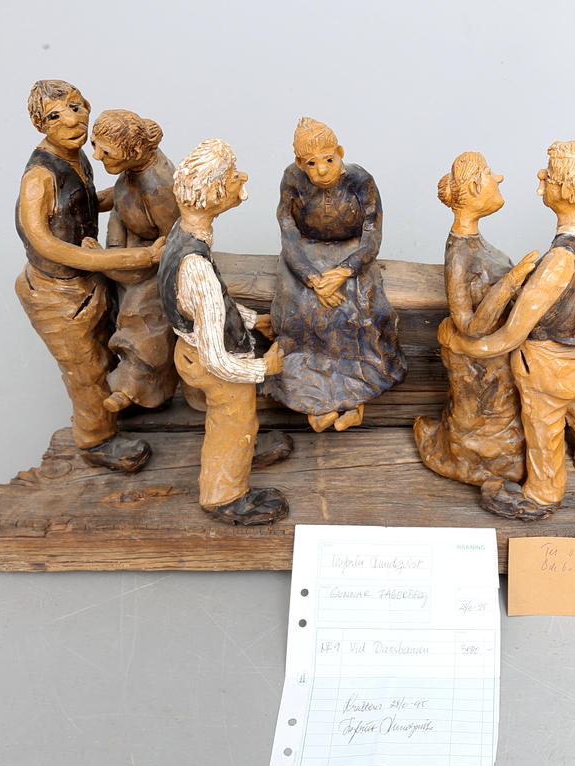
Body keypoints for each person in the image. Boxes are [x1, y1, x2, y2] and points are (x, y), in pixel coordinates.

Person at [441, 141, 575, 520]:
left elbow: (511, 335)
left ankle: (542, 495)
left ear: (565, 187)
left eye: (548, 174)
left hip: (548, 366)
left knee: (544, 428)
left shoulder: (558, 260)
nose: (540, 177)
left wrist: (465, 347)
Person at [14, 80, 162, 472]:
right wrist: (137, 256)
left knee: (107, 347)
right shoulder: (38, 178)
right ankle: (96, 439)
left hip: (87, 279)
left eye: (76, 107)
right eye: (54, 116)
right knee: (85, 368)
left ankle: (116, 403)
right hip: (56, 292)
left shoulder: (78, 156)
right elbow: (45, 243)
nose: (71, 121)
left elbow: (83, 204)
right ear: (40, 125)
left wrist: (138, 185)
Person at [160, 139, 289, 525]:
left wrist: (248, 320)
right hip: (211, 362)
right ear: (214, 193)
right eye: (233, 175)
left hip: (189, 347)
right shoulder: (196, 266)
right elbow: (217, 360)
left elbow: (208, 306)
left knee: (235, 423)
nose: (242, 177)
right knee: (233, 419)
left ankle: (242, 451)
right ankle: (225, 496)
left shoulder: (182, 234)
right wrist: (265, 368)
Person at [263, 118, 406, 432]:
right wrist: (313, 280)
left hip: (352, 255)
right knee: (299, 311)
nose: (322, 170)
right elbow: (288, 232)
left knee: (361, 310)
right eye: (311, 163)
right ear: (300, 163)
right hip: (305, 254)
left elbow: (372, 235)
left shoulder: (361, 180)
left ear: (340, 152)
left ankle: (356, 399)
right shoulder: (291, 179)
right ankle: (311, 401)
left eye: (329, 159)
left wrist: (344, 271)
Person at [414, 152, 537, 489]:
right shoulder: (459, 253)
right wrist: (511, 281)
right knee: (479, 419)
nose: (498, 178)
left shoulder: (474, 243)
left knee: (500, 414)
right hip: (479, 362)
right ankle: (470, 463)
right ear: (473, 186)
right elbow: (468, 326)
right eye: (488, 173)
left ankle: (503, 462)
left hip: (498, 356)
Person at [90, 108, 180, 412]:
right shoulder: (135, 166)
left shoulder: (157, 187)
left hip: (153, 261)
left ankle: (132, 385)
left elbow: (172, 243)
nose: (97, 156)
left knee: (140, 314)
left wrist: (122, 263)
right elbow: (121, 195)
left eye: (106, 152)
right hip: (127, 242)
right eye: (95, 146)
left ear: (136, 151)